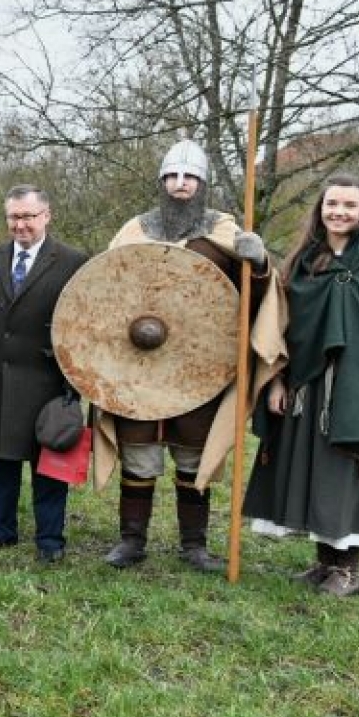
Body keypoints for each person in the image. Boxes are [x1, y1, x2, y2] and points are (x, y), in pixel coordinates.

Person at [95, 138, 284, 572]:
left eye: (190, 176)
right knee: (138, 452)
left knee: (193, 454)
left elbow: (252, 303)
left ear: (202, 183)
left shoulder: (224, 232)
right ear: (162, 182)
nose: (181, 184)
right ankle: (131, 541)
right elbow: (104, 291)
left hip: (200, 363)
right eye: (173, 176)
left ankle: (194, 546)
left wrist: (257, 266)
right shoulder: (133, 231)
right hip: (137, 361)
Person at [243, 172, 359, 596]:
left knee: (349, 472)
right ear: (320, 208)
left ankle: (350, 570)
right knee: (314, 470)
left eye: (349, 205)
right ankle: (325, 562)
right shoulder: (305, 261)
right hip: (308, 385)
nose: (339, 212)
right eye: (332, 204)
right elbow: (285, 327)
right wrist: (277, 382)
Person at [0, 186, 88, 562]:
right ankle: (2, 530)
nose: (21, 225)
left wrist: (74, 381)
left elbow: (83, 324)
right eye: (14, 217)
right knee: (1, 461)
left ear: (46, 216)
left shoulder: (72, 261)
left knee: (48, 463)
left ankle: (50, 541)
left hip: (47, 379)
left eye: (28, 217)